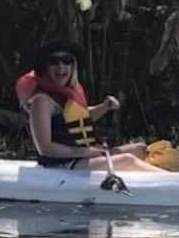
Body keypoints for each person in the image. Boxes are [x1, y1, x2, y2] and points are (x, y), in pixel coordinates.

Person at [15, 41, 162, 173]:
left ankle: (168, 179)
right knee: (127, 160)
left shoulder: (68, 93)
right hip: (64, 164)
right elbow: (45, 148)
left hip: (84, 156)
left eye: (67, 61)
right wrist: (86, 152)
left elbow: (79, 118)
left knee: (141, 149)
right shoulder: (41, 101)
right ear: (44, 68)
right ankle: (173, 185)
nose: (61, 66)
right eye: (53, 61)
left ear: (73, 66)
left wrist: (104, 107)